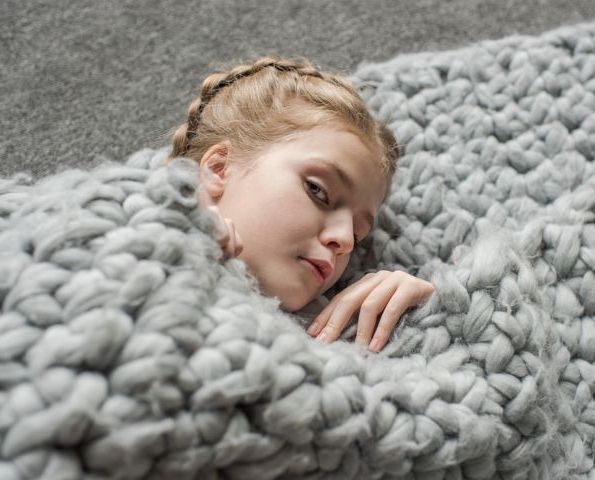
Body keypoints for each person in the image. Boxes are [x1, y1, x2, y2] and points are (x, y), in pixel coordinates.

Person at [167, 56, 434, 352]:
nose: (344, 240)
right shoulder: (141, 248)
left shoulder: (333, 336)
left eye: (358, 237)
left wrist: (427, 312)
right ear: (218, 169)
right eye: (317, 191)